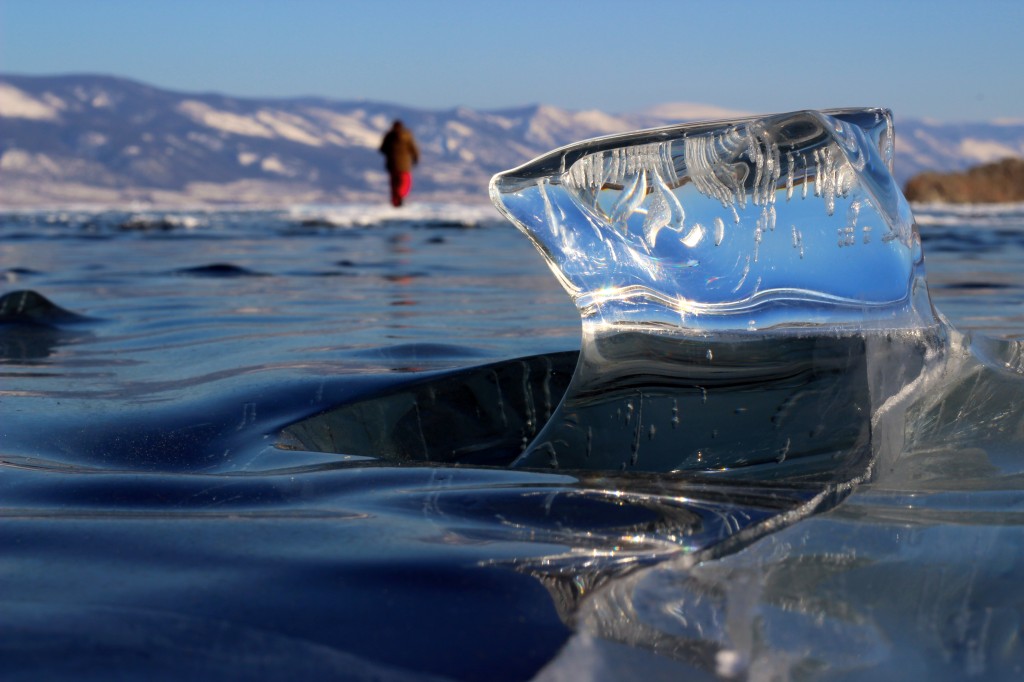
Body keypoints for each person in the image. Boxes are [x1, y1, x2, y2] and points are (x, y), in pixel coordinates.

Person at [379, 120, 420, 207]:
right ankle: (400, 195)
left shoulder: (389, 136)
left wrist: (390, 153)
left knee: (394, 184)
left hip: (392, 164)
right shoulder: (407, 136)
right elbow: (413, 148)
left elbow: (382, 149)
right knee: (405, 183)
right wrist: (416, 158)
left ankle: (395, 202)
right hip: (404, 165)